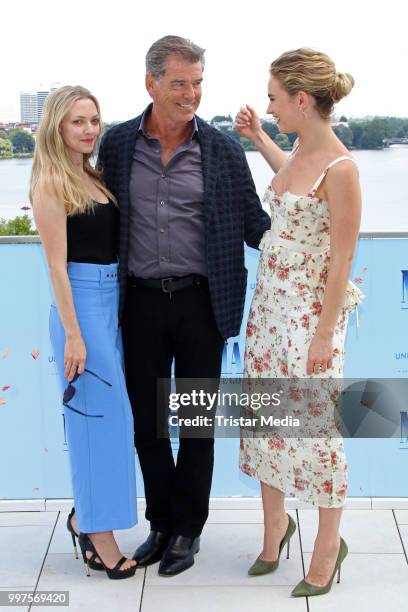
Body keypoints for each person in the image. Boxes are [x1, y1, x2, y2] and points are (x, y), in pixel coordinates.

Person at [97, 35, 271, 577]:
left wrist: (306, 236)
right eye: (179, 83)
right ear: (150, 83)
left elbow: (253, 223)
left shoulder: (220, 148)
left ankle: (188, 532)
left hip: (203, 305)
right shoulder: (120, 144)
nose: (191, 93)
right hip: (140, 306)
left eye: (197, 83)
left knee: (195, 424)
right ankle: (160, 524)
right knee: (148, 425)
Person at [236, 48, 363, 597]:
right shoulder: (296, 154)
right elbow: (289, 189)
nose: (270, 106)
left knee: (315, 430)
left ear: (301, 99)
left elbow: (342, 260)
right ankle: (274, 530)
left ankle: (328, 548)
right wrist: (260, 137)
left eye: (273, 98)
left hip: (308, 319)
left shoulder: (343, 169)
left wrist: (322, 336)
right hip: (266, 310)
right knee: (266, 418)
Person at [30, 85, 137, 580]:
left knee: (114, 424)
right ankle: (99, 537)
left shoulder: (91, 175)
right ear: (57, 126)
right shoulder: (51, 181)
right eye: (78, 121)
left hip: (112, 302)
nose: (90, 129)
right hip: (81, 308)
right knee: (99, 423)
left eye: (94, 119)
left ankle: (85, 517)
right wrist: (74, 334)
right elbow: (56, 267)